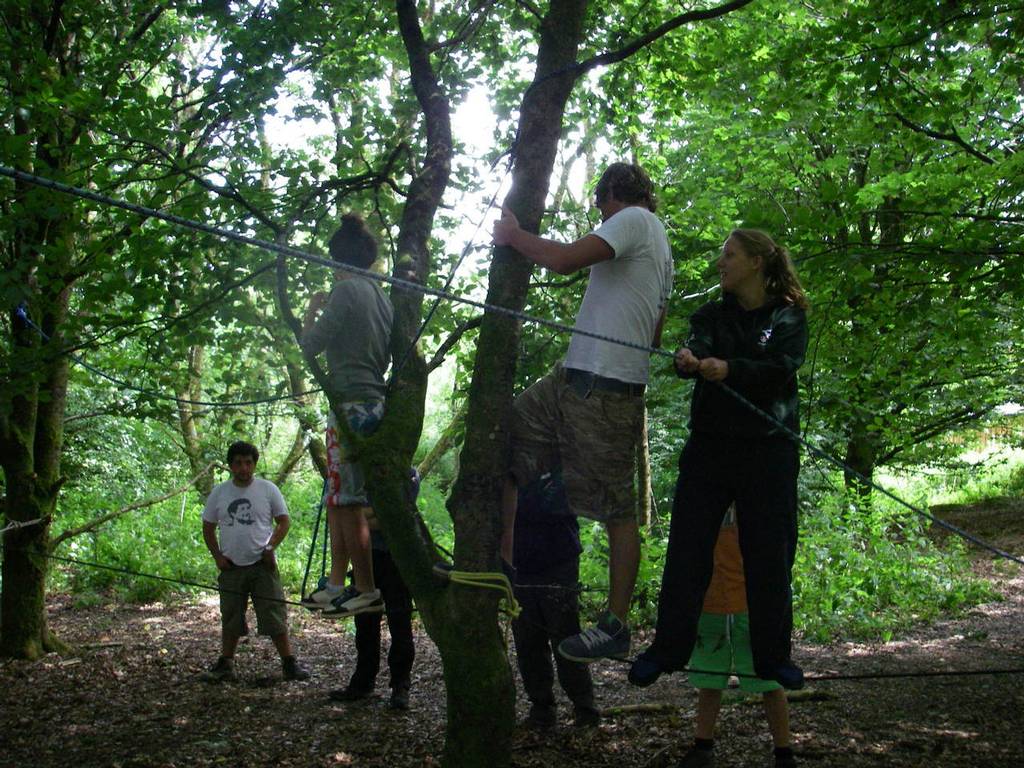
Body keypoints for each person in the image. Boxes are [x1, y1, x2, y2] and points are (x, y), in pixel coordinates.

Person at [492, 162, 673, 662]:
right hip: (572, 378)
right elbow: (654, 333)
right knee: (501, 437)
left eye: (600, 203)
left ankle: (615, 624)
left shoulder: (635, 219)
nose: (600, 212)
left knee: (616, 510)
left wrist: (513, 235)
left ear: (613, 193)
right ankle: (502, 568)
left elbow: (567, 260)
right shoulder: (658, 248)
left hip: (607, 389)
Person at [630, 228, 808, 690]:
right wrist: (691, 358)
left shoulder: (787, 317)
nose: (720, 263)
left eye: (729, 255)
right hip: (711, 447)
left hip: (769, 450)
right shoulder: (710, 313)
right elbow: (697, 344)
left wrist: (732, 370)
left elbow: (781, 369)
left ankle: (773, 657)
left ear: (755, 262)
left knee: (769, 555)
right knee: (688, 549)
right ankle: (667, 648)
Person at [300, 213, 393, 617]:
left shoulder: (345, 291)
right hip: (370, 401)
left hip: (350, 404)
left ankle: (366, 587)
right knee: (337, 494)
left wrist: (310, 310)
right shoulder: (382, 296)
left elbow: (311, 345)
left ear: (338, 260)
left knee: (349, 498)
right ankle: (338, 582)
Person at [675, 506, 797, 768]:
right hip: (711, 606)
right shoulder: (702, 499)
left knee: (769, 679)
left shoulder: (757, 500)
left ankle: (784, 753)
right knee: (710, 680)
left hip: (751, 608)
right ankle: (702, 747)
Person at [200, 440, 310, 682]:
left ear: (254, 464)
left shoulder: (268, 489)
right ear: (230, 466)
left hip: (262, 565)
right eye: (238, 463)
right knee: (230, 615)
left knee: (274, 613)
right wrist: (217, 556)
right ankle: (225, 664)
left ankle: (289, 663)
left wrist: (270, 547)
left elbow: (284, 521)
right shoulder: (220, 492)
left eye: (248, 463)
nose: (244, 468)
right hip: (231, 566)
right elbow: (208, 527)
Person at [510, 471, 599, 729]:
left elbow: (560, 504)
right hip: (521, 564)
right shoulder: (512, 463)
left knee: (565, 636)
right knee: (528, 640)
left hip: (559, 559)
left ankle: (584, 708)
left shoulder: (562, 464)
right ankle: (542, 708)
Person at [328, 470, 419, 710]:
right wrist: (366, 516)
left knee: (400, 622)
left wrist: (358, 518)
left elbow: (395, 516)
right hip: (366, 558)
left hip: (396, 559)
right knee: (365, 622)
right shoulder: (357, 476)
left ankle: (401, 685)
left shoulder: (406, 474)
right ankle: (363, 681)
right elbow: (347, 517)